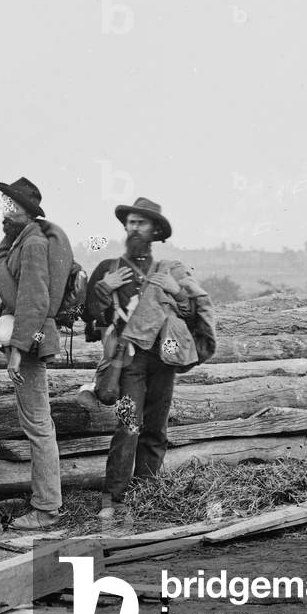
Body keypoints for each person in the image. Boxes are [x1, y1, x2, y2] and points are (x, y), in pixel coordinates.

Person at [84, 197, 216, 521]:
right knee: (128, 425)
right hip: (128, 359)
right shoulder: (109, 269)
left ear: (155, 230)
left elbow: (189, 312)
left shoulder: (170, 270)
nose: (133, 228)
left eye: (141, 223)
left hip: (165, 356)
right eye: (130, 222)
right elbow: (92, 318)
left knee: (156, 428)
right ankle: (113, 499)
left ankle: (147, 494)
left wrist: (178, 292)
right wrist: (102, 289)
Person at [0, 177, 72, 531]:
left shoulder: (33, 243)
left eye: (12, 207)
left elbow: (36, 301)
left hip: (30, 337)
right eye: (3, 205)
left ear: (29, 211)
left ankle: (47, 508)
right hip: (14, 325)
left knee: (38, 425)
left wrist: (17, 353)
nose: (4, 213)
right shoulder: (17, 240)